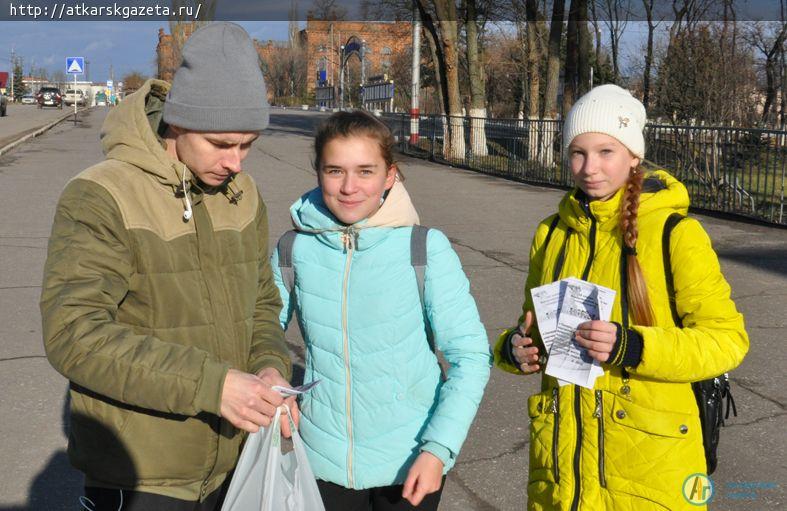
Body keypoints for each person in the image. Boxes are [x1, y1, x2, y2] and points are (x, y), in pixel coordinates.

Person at [40, 22, 296, 511]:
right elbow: (74, 334)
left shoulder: (244, 195)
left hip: (237, 467)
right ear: (178, 123)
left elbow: (263, 301)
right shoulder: (101, 195)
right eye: (222, 145)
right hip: (141, 478)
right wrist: (212, 386)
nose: (237, 163)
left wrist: (270, 368)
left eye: (248, 145)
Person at [494, 84, 749, 510]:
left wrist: (632, 346)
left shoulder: (675, 234)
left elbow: (727, 340)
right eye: (577, 152)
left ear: (634, 156)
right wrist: (514, 350)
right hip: (563, 474)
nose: (589, 167)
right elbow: (533, 328)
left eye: (605, 152)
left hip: (648, 474)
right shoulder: (551, 233)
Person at [271, 110, 492, 510]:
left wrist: (438, 449)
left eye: (365, 171)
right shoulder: (293, 249)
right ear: (318, 172)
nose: (350, 186)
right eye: (335, 170)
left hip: (410, 463)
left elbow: (471, 356)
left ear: (389, 176)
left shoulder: (423, 248)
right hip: (322, 462)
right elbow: (261, 331)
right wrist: (273, 387)